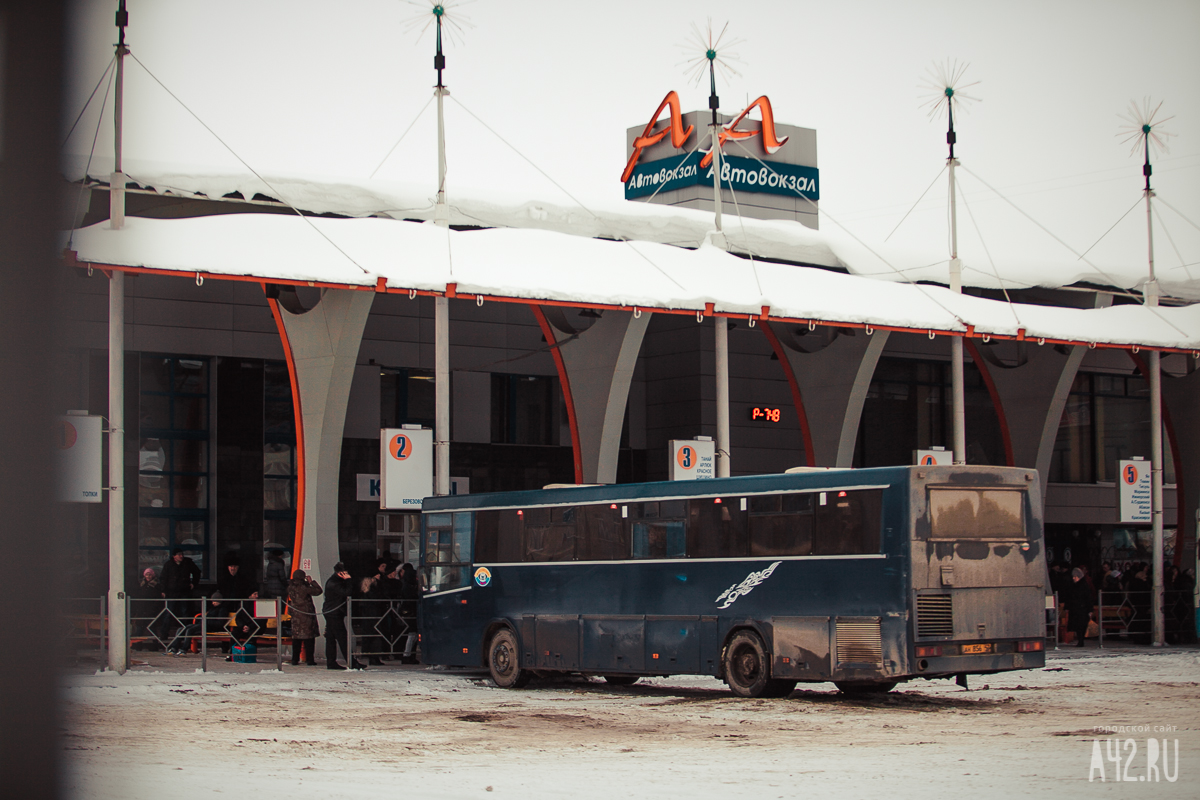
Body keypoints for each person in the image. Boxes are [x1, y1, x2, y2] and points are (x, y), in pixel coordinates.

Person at [323, 563, 364, 670]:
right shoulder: (334, 583)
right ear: (339, 573)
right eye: (345, 573)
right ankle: (351, 662)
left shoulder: (335, 581)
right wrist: (348, 580)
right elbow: (347, 592)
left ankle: (331, 662)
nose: (347, 574)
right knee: (342, 637)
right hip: (333, 613)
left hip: (332, 611)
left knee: (331, 638)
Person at [287, 569, 322, 666]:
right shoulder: (304, 587)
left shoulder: (290, 586)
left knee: (296, 639)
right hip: (306, 615)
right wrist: (311, 582)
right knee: (309, 639)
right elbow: (318, 591)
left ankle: (295, 659)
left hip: (295, 615)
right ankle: (310, 659)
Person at [160, 549, 201, 627]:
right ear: (174, 556)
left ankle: (184, 632)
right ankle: (164, 634)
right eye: (179, 554)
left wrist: (194, 583)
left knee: (184, 612)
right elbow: (163, 578)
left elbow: (197, 572)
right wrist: (163, 590)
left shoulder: (187, 563)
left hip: (184, 591)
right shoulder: (168, 564)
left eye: (182, 554)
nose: (181, 556)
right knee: (168, 612)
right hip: (172, 592)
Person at [1065, 567, 1093, 647]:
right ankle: (1080, 640)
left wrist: (1090, 609)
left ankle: (1081, 640)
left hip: (1082, 609)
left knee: (1081, 625)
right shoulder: (1074, 585)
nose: (1073, 578)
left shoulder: (1084, 586)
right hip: (1076, 609)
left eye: (1075, 576)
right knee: (1078, 625)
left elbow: (1088, 598)